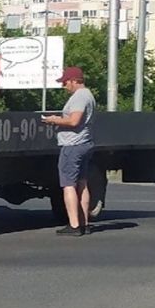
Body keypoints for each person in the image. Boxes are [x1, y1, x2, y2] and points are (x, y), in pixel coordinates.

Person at [41, 66, 96, 237]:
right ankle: (84, 223)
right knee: (82, 183)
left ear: (74, 81)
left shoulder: (80, 97)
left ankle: (74, 225)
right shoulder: (89, 95)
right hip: (85, 143)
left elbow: (74, 121)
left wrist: (54, 120)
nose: (64, 85)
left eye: (65, 82)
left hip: (73, 145)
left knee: (68, 184)